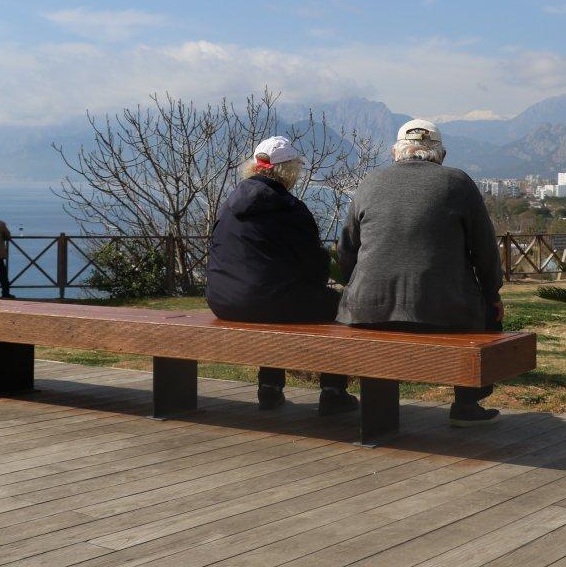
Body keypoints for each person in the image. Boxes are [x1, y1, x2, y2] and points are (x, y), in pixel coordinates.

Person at [337, 119, 505, 427]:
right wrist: (492, 294)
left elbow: (347, 248)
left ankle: (364, 406)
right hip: (442, 310)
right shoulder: (458, 183)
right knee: (487, 317)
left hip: (366, 309)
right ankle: (467, 403)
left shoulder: (370, 182)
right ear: (441, 154)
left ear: (395, 152)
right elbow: (485, 250)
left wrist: (356, 284)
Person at [206, 135, 359, 416]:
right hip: (267, 301)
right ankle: (333, 391)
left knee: (272, 299)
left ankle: (270, 388)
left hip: (222, 300)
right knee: (337, 306)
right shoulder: (290, 208)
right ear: (288, 170)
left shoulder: (229, 204)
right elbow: (315, 266)